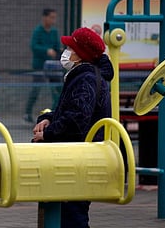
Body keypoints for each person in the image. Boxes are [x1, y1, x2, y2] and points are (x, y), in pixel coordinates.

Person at [32, 27, 114, 227]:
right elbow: (75, 108)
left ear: (81, 55)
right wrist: (49, 118)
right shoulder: (82, 75)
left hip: (78, 157)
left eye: (70, 47)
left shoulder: (85, 78)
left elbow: (77, 118)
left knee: (72, 214)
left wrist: (48, 134)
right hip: (80, 154)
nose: (65, 51)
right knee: (68, 212)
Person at [24, 8, 61, 123]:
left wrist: (59, 50)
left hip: (53, 66)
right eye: (51, 17)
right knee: (36, 89)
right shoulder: (38, 31)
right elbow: (34, 46)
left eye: (54, 18)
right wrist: (46, 50)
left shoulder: (54, 32)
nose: (53, 20)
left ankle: (55, 112)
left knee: (57, 89)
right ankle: (27, 113)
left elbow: (56, 46)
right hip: (39, 66)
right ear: (44, 17)